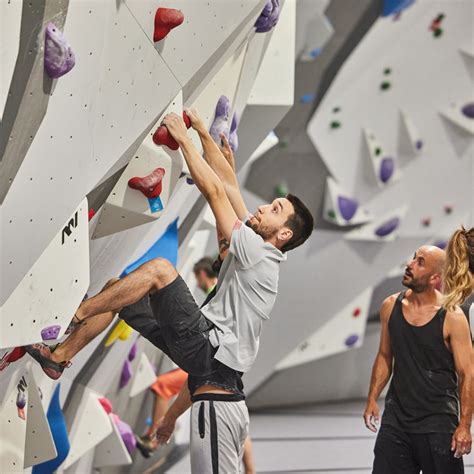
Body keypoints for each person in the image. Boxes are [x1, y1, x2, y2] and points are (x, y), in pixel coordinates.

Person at [25, 108, 313, 472]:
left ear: (283, 234)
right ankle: (60, 355)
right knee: (119, 291)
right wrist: (207, 136)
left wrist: (184, 137)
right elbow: (230, 188)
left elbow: (214, 192)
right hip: (208, 364)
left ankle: (74, 315)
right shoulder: (260, 253)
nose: (262, 208)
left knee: (159, 271)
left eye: (274, 208)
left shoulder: (258, 253)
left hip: (207, 361)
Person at [364, 245, 472, 473]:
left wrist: (464, 425)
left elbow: (467, 373)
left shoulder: (452, 316)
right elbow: (385, 356)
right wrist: (372, 398)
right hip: (396, 422)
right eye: (413, 258)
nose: (410, 265)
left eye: (420, 262)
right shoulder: (390, 306)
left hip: (439, 424)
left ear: (435, 278)